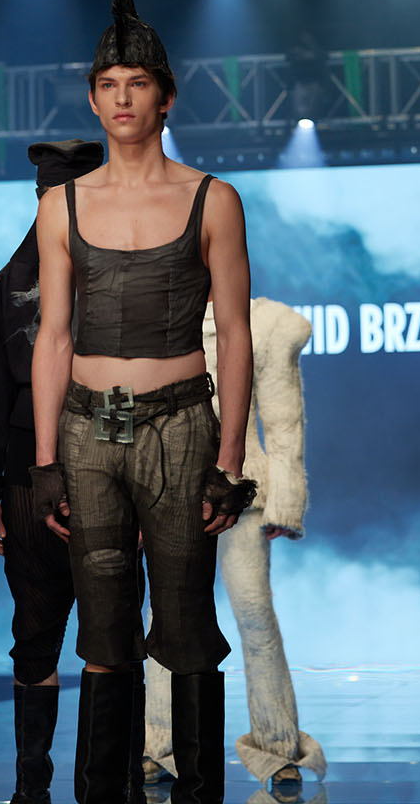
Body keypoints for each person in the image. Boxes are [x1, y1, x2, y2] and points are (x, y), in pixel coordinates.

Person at [30, 0, 256, 804]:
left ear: (165, 97)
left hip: (180, 426)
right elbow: (53, 336)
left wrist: (227, 462)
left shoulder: (212, 198)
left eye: (137, 84)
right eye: (107, 85)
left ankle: (197, 796)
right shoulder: (61, 205)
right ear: (93, 101)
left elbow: (234, 333)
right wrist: (44, 462)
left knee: (187, 622)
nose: (122, 98)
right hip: (88, 431)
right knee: (102, 630)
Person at [0, 138, 106, 804]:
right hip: (31, 476)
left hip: (106, 468)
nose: (60, 207)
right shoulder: (12, 281)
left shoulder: (117, 270)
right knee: (39, 633)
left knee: (106, 633)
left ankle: (98, 785)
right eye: (50, 196)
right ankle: (35, 785)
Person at [143, 298, 327, 798]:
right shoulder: (155, 307)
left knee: (254, 615)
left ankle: (279, 746)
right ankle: (158, 744)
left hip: (241, 491)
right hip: (168, 490)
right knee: (164, 614)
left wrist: (284, 503)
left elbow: (284, 421)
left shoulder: (265, 323)